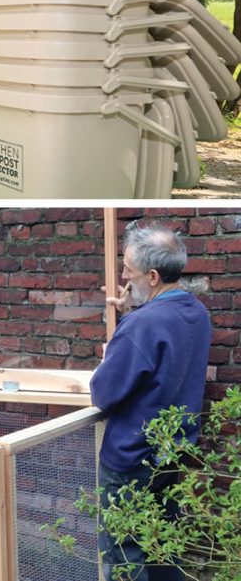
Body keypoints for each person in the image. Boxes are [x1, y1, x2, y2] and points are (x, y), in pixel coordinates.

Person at [89, 222, 212, 581]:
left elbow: (104, 394)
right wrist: (129, 316)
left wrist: (117, 344)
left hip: (129, 460)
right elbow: (161, 363)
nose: (124, 276)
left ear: (153, 276)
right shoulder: (196, 313)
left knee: (125, 558)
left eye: (129, 269)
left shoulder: (144, 324)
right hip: (169, 456)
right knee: (162, 551)